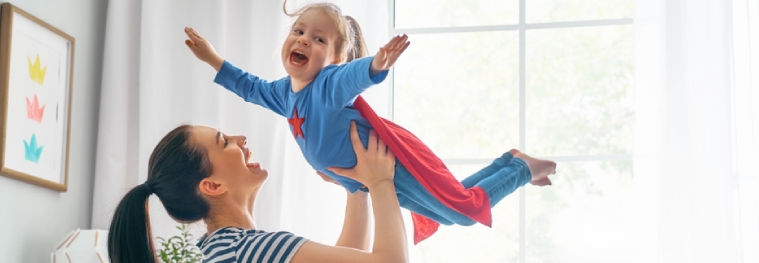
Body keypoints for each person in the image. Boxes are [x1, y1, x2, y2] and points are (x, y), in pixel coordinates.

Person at [183, 2, 557, 244]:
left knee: (461, 213)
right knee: (451, 212)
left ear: (335, 57)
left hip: (390, 169)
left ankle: (520, 168)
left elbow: (354, 77)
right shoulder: (283, 93)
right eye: (299, 31)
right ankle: (509, 162)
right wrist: (212, 59)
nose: (303, 41)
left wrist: (377, 64)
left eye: (318, 39)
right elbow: (250, 87)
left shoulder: (328, 83)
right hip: (371, 179)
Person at [107, 122, 407, 263]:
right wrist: (380, 182)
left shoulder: (230, 250)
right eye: (225, 142)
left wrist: (357, 187)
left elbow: (352, 260)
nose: (241, 139)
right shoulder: (248, 252)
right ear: (213, 186)